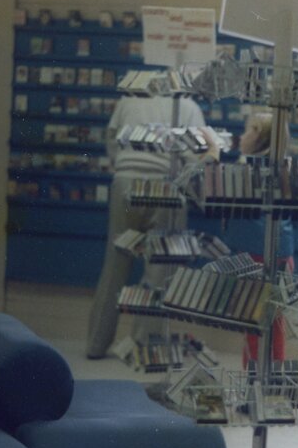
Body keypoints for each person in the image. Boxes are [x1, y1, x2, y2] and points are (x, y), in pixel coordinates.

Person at [85, 95, 213, 359]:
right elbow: (196, 156)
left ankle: (96, 344)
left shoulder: (128, 100)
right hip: (165, 183)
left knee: (115, 263)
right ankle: (144, 345)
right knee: (159, 271)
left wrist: (126, 165)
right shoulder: (188, 107)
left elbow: (112, 140)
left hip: (125, 181)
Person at [219, 112, 295, 368]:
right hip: (282, 252)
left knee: (252, 323)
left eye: (248, 130)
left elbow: (210, 190)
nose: (242, 136)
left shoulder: (247, 170)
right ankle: (272, 380)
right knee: (274, 323)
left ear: (260, 137)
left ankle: (255, 383)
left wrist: (210, 154)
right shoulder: (282, 166)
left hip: (254, 253)